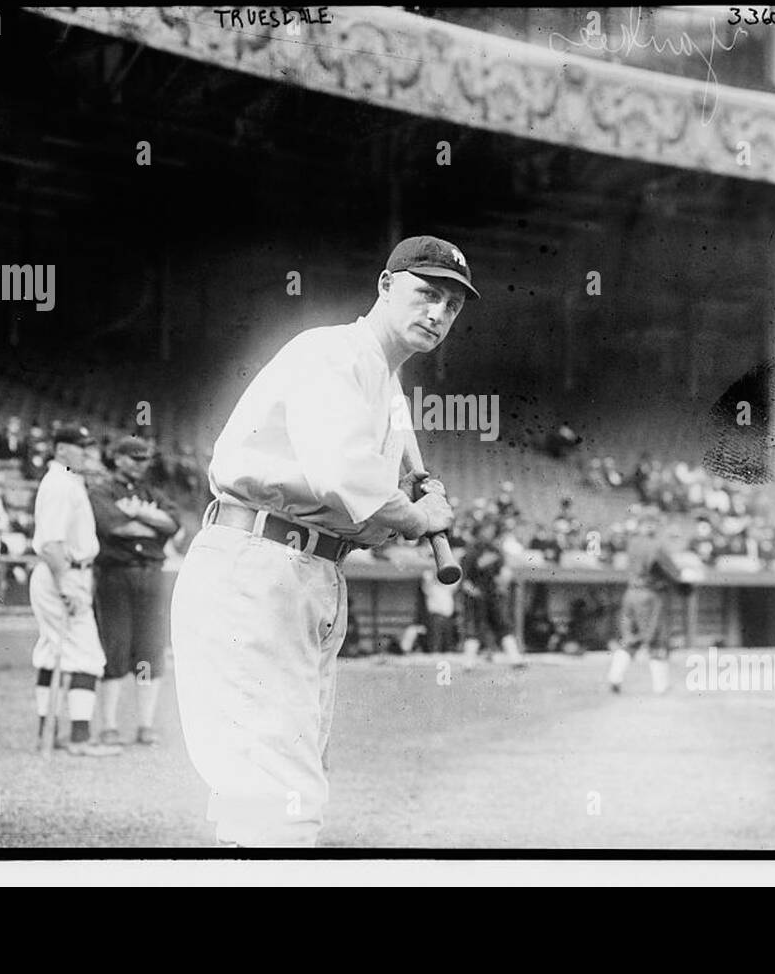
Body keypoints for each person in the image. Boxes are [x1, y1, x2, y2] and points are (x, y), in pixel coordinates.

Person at [171, 234, 471, 847]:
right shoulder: (334, 353)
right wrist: (419, 518)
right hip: (258, 563)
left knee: (271, 776)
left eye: (452, 304)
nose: (438, 312)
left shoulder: (386, 386)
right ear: (386, 287)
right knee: (280, 785)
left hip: (306, 569)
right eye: (426, 293)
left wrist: (415, 503)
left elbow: (360, 500)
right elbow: (342, 474)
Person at [28, 426, 120, 757]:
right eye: (80, 447)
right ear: (62, 449)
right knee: (88, 655)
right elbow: (51, 544)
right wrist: (66, 584)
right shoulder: (59, 484)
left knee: (54, 650)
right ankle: (79, 739)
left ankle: (48, 734)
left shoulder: (68, 480)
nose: (87, 452)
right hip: (62, 573)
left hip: (65, 572)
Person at [88, 436, 181, 747]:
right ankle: (110, 726)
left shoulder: (151, 493)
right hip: (115, 575)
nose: (141, 464)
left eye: (144, 460)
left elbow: (173, 524)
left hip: (151, 575)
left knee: (150, 651)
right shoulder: (101, 491)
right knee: (114, 647)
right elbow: (114, 527)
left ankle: (145, 725)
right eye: (134, 458)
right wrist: (151, 524)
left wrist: (139, 513)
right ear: (118, 458)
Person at [607, 523, 671, 694]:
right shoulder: (655, 546)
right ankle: (660, 686)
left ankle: (615, 677)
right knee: (656, 638)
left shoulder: (632, 544)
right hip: (648, 595)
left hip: (630, 593)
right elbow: (670, 570)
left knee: (630, 638)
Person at [459, 520, 524, 668]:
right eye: (486, 529)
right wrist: (471, 590)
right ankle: (468, 662)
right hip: (476, 596)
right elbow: (464, 578)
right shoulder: (470, 552)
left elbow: (502, 572)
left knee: (503, 625)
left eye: (491, 529)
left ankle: (515, 659)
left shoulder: (496, 551)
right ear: (479, 531)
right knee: (474, 628)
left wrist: (503, 580)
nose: (489, 532)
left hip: (494, 595)